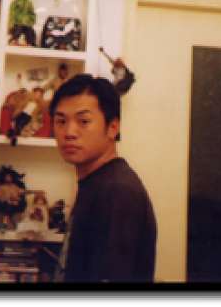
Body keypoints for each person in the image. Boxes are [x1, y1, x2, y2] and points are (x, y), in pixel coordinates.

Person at [50, 74, 157, 283]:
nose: (69, 132)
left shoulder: (117, 191)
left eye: (83, 121)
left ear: (112, 128)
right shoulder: (97, 183)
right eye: (61, 121)